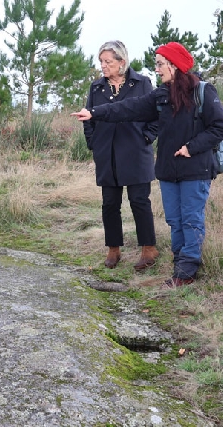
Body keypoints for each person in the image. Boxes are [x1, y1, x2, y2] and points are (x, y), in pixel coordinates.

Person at [72, 42, 223, 287]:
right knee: (174, 219)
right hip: (168, 169)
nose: (157, 69)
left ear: (174, 65)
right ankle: (179, 263)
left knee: (191, 219)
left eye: (161, 64)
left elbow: (218, 127)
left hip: (196, 168)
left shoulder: (203, 91)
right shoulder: (161, 94)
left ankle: (187, 270)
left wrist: (191, 147)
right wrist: (95, 113)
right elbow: (127, 108)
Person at [84, 40, 159, 271]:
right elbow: (88, 118)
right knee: (109, 203)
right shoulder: (96, 88)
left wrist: (146, 137)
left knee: (139, 201)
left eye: (108, 62)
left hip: (136, 152)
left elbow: (156, 116)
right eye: (101, 62)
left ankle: (148, 248)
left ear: (121, 62)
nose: (103, 66)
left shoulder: (142, 83)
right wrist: (94, 143)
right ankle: (113, 248)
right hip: (107, 154)